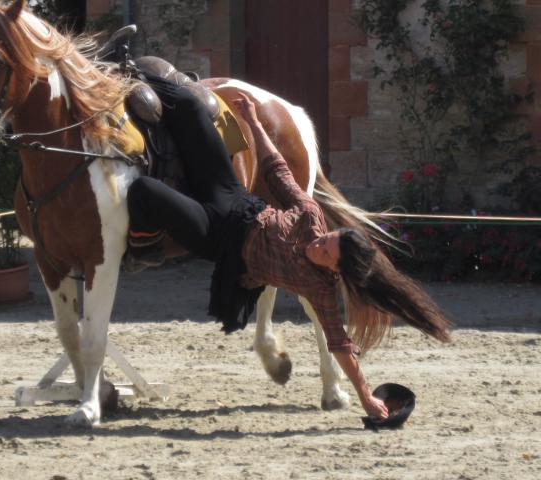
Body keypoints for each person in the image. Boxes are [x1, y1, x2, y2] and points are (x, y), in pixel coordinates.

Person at [126, 78, 451, 419]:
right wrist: (252, 120)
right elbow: (277, 169)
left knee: (145, 190)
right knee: (190, 104)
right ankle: (127, 73)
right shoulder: (311, 217)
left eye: (326, 250)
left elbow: (340, 344)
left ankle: (142, 246)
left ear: (334, 270)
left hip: (220, 240)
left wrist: (366, 395)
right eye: (328, 237)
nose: (320, 243)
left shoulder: (319, 288)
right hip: (234, 198)